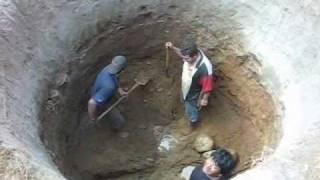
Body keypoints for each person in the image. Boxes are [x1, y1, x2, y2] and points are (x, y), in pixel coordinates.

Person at [165, 41, 215, 128]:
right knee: (183, 98)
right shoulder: (189, 54)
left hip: (194, 92)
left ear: (195, 56)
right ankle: (186, 105)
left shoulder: (205, 69)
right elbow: (182, 53)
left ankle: (193, 121)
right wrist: (172, 47)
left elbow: (207, 87)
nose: (184, 60)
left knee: (191, 107)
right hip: (186, 86)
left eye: (186, 59)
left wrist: (204, 99)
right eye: (183, 57)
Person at [88, 55, 128, 129]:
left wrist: (120, 90)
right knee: (120, 121)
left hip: (101, 91)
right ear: (122, 69)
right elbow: (92, 102)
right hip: (102, 98)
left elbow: (115, 78)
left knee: (122, 106)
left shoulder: (109, 67)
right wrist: (92, 119)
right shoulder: (109, 86)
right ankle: (115, 129)